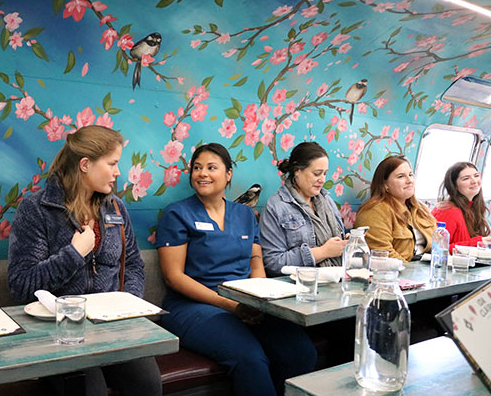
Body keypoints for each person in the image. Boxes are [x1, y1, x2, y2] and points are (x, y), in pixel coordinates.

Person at [8, 125, 161, 396]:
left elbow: (134, 264)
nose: (117, 172)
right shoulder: (36, 210)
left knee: (147, 383)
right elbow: (20, 284)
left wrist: (126, 306)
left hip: (112, 328)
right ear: (85, 165)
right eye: (112, 163)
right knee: (91, 390)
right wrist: (74, 254)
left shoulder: (115, 207)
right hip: (59, 332)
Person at [156, 143, 316, 396]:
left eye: (211, 167)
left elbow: (256, 263)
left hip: (244, 303)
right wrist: (230, 306)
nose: (202, 174)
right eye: (197, 168)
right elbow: (174, 277)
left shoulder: (244, 214)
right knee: (250, 359)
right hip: (192, 306)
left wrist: (259, 301)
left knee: (300, 352)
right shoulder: (177, 213)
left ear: (229, 174)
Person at [259, 142, 346, 275]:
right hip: (299, 287)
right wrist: (322, 252)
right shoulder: (275, 207)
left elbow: (338, 243)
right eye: (317, 174)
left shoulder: (327, 201)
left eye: (325, 174)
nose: (322, 180)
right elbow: (273, 263)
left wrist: (349, 244)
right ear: (297, 172)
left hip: (336, 281)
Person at [355, 155, 436, 262]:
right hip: (396, 273)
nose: (409, 180)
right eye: (401, 176)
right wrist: (412, 272)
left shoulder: (421, 209)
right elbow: (382, 254)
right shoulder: (373, 211)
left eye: (411, 175)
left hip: (425, 271)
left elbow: (438, 244)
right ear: (385, 185)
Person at [432, 162, 491, 251]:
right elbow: (437, 248)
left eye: (476, 176)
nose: (474, 181)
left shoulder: (473, 208)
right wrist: (480, 242)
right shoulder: (447, 211)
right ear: (454, 185)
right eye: (466, 178)